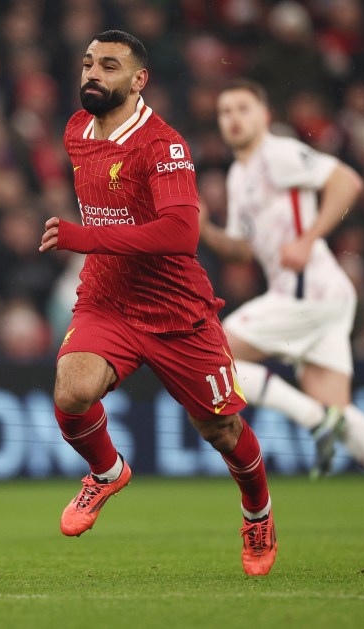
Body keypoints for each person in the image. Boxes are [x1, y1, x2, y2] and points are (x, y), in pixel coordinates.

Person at [38, 30, 276, 576]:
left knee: (220, 430)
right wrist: (96, 245)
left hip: (175, 309)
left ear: (139, 79)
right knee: (71, 391)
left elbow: (180, 235)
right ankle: (106, 472)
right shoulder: (77, 129)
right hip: (107, 297)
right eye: (88, 64)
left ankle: (257, 513)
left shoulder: (162, 145)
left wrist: (87, 237)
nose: (93, 74)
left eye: (109, 66)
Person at [202, 79, 364, 531]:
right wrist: (205, 229)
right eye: (225, 111)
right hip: (323, 295)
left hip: (305, 289)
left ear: (264, 116)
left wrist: (309, 237)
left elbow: (347, 181)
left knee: (211, 355)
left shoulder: (278, 153)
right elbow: (242, 249)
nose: (233, 118)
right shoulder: (240, 175)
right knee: (341, 411)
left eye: (242, 108)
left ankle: (313, 419)